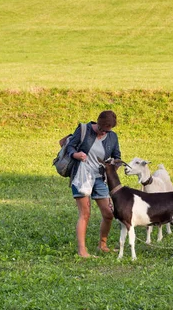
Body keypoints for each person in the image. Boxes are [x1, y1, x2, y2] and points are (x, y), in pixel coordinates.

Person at [66, 110, 121, 257]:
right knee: (85, 213)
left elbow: (117, 155)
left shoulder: (112, 137)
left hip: (99, 178)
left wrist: (115, 164)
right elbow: (70, 146)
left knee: (109, 214)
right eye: (102, 130)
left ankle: (102, 245)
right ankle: (82, 250)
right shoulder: (84, 130)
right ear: (98, 123)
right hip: (81, 176)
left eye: (107, 131)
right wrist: (76, 154)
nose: (104, 133)